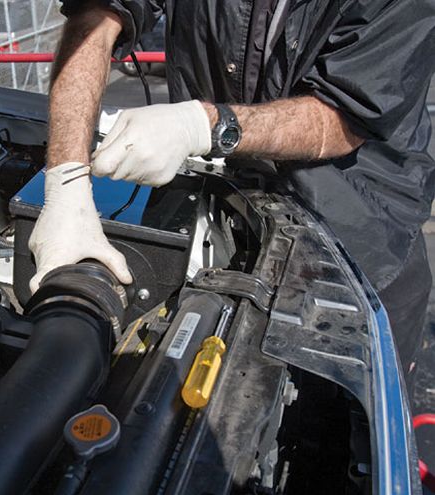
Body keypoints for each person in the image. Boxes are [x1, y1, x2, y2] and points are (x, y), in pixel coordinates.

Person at [28, 0, 435, 389]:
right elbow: (97, 14)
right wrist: (65, 182)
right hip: (212, 215)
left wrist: (203, 125)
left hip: (353, 240)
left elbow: (343, 116)